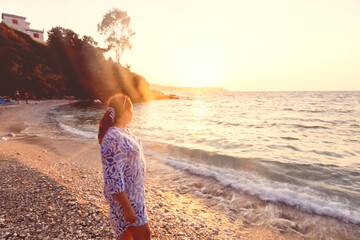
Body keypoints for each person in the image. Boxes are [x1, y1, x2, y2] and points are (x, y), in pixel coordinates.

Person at [98, 94, 151, 240]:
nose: (133, 113)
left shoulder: (120, 134)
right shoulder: (115, 137)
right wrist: (127, 208)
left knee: (128, 236)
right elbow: (113, 177)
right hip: (128, 200)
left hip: (133, 196)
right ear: (127, 111)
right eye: (132, 109)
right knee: (144, 236)